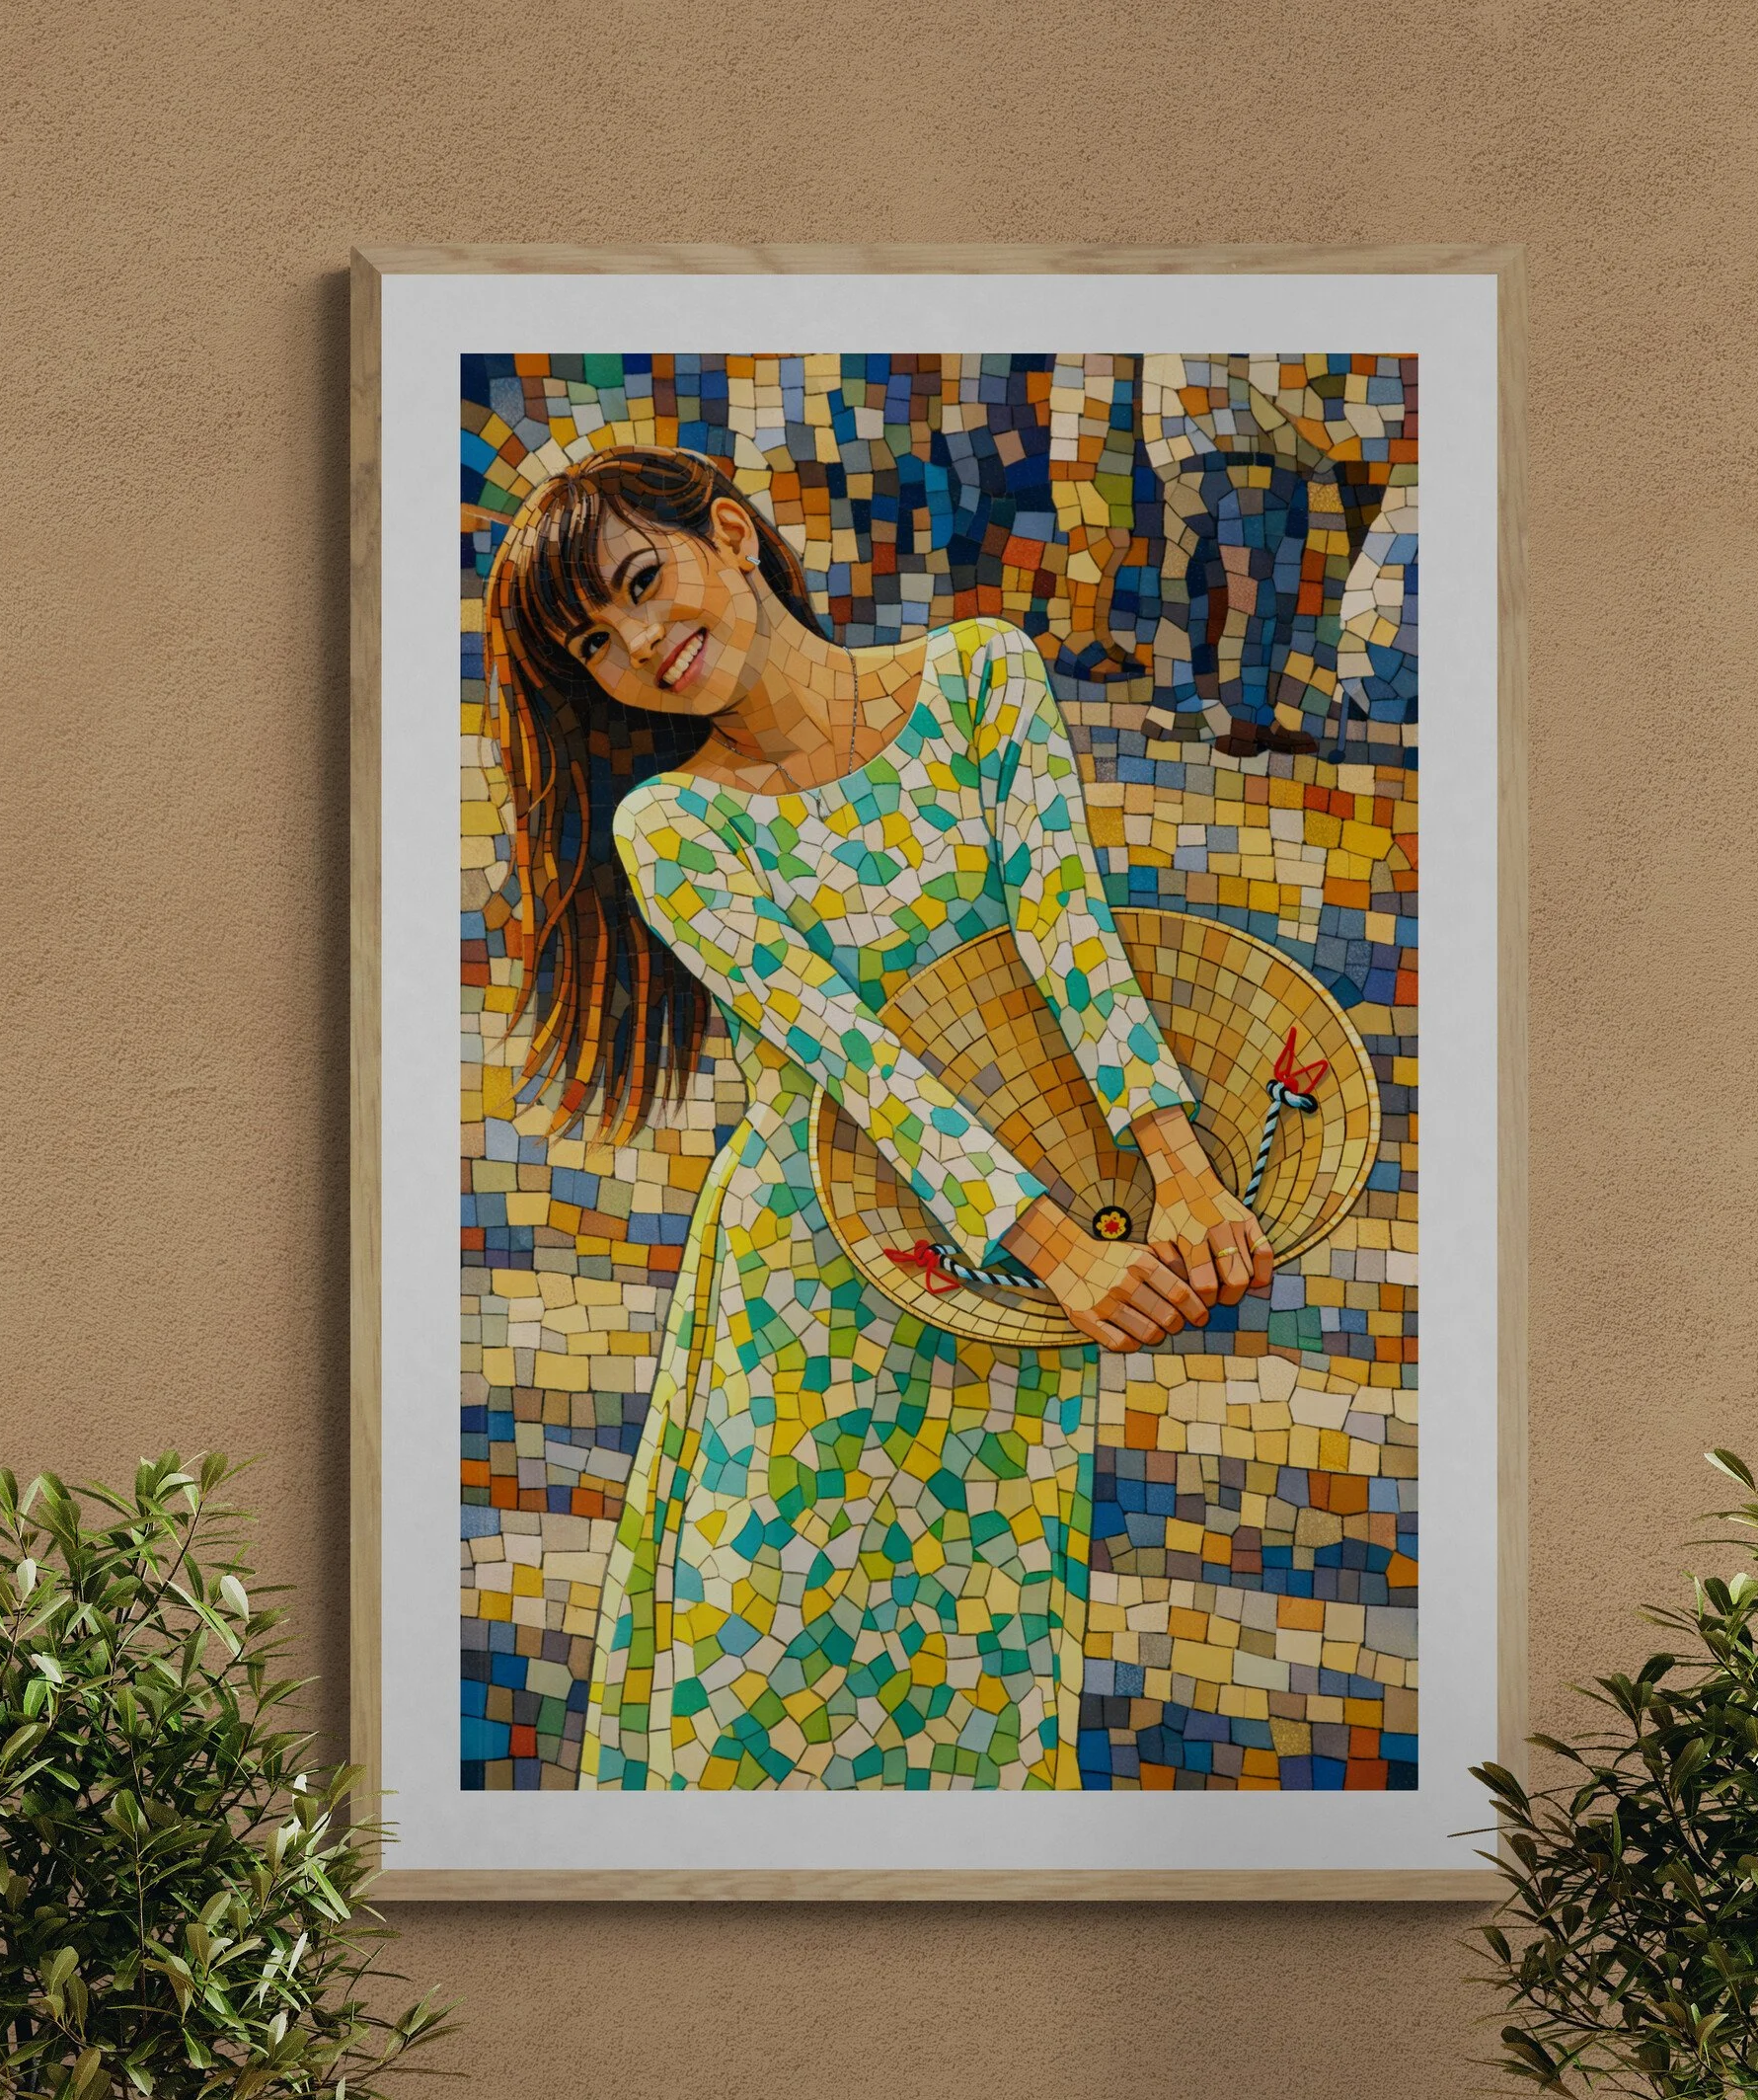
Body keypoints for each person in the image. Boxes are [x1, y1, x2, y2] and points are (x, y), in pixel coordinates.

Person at [483, 443, 1272, 1793]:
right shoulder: (675, 829)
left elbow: (1067, 936)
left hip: (1011, 1282)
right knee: (765, 1637)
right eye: (596, 643)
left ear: (728, 534)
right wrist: (1060, 1250)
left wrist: (1179, 1172)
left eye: (640, 580)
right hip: (814, 1278)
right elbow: (861, 1066)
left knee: (979, 1635)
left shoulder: (975, 677)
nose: (640, 639)